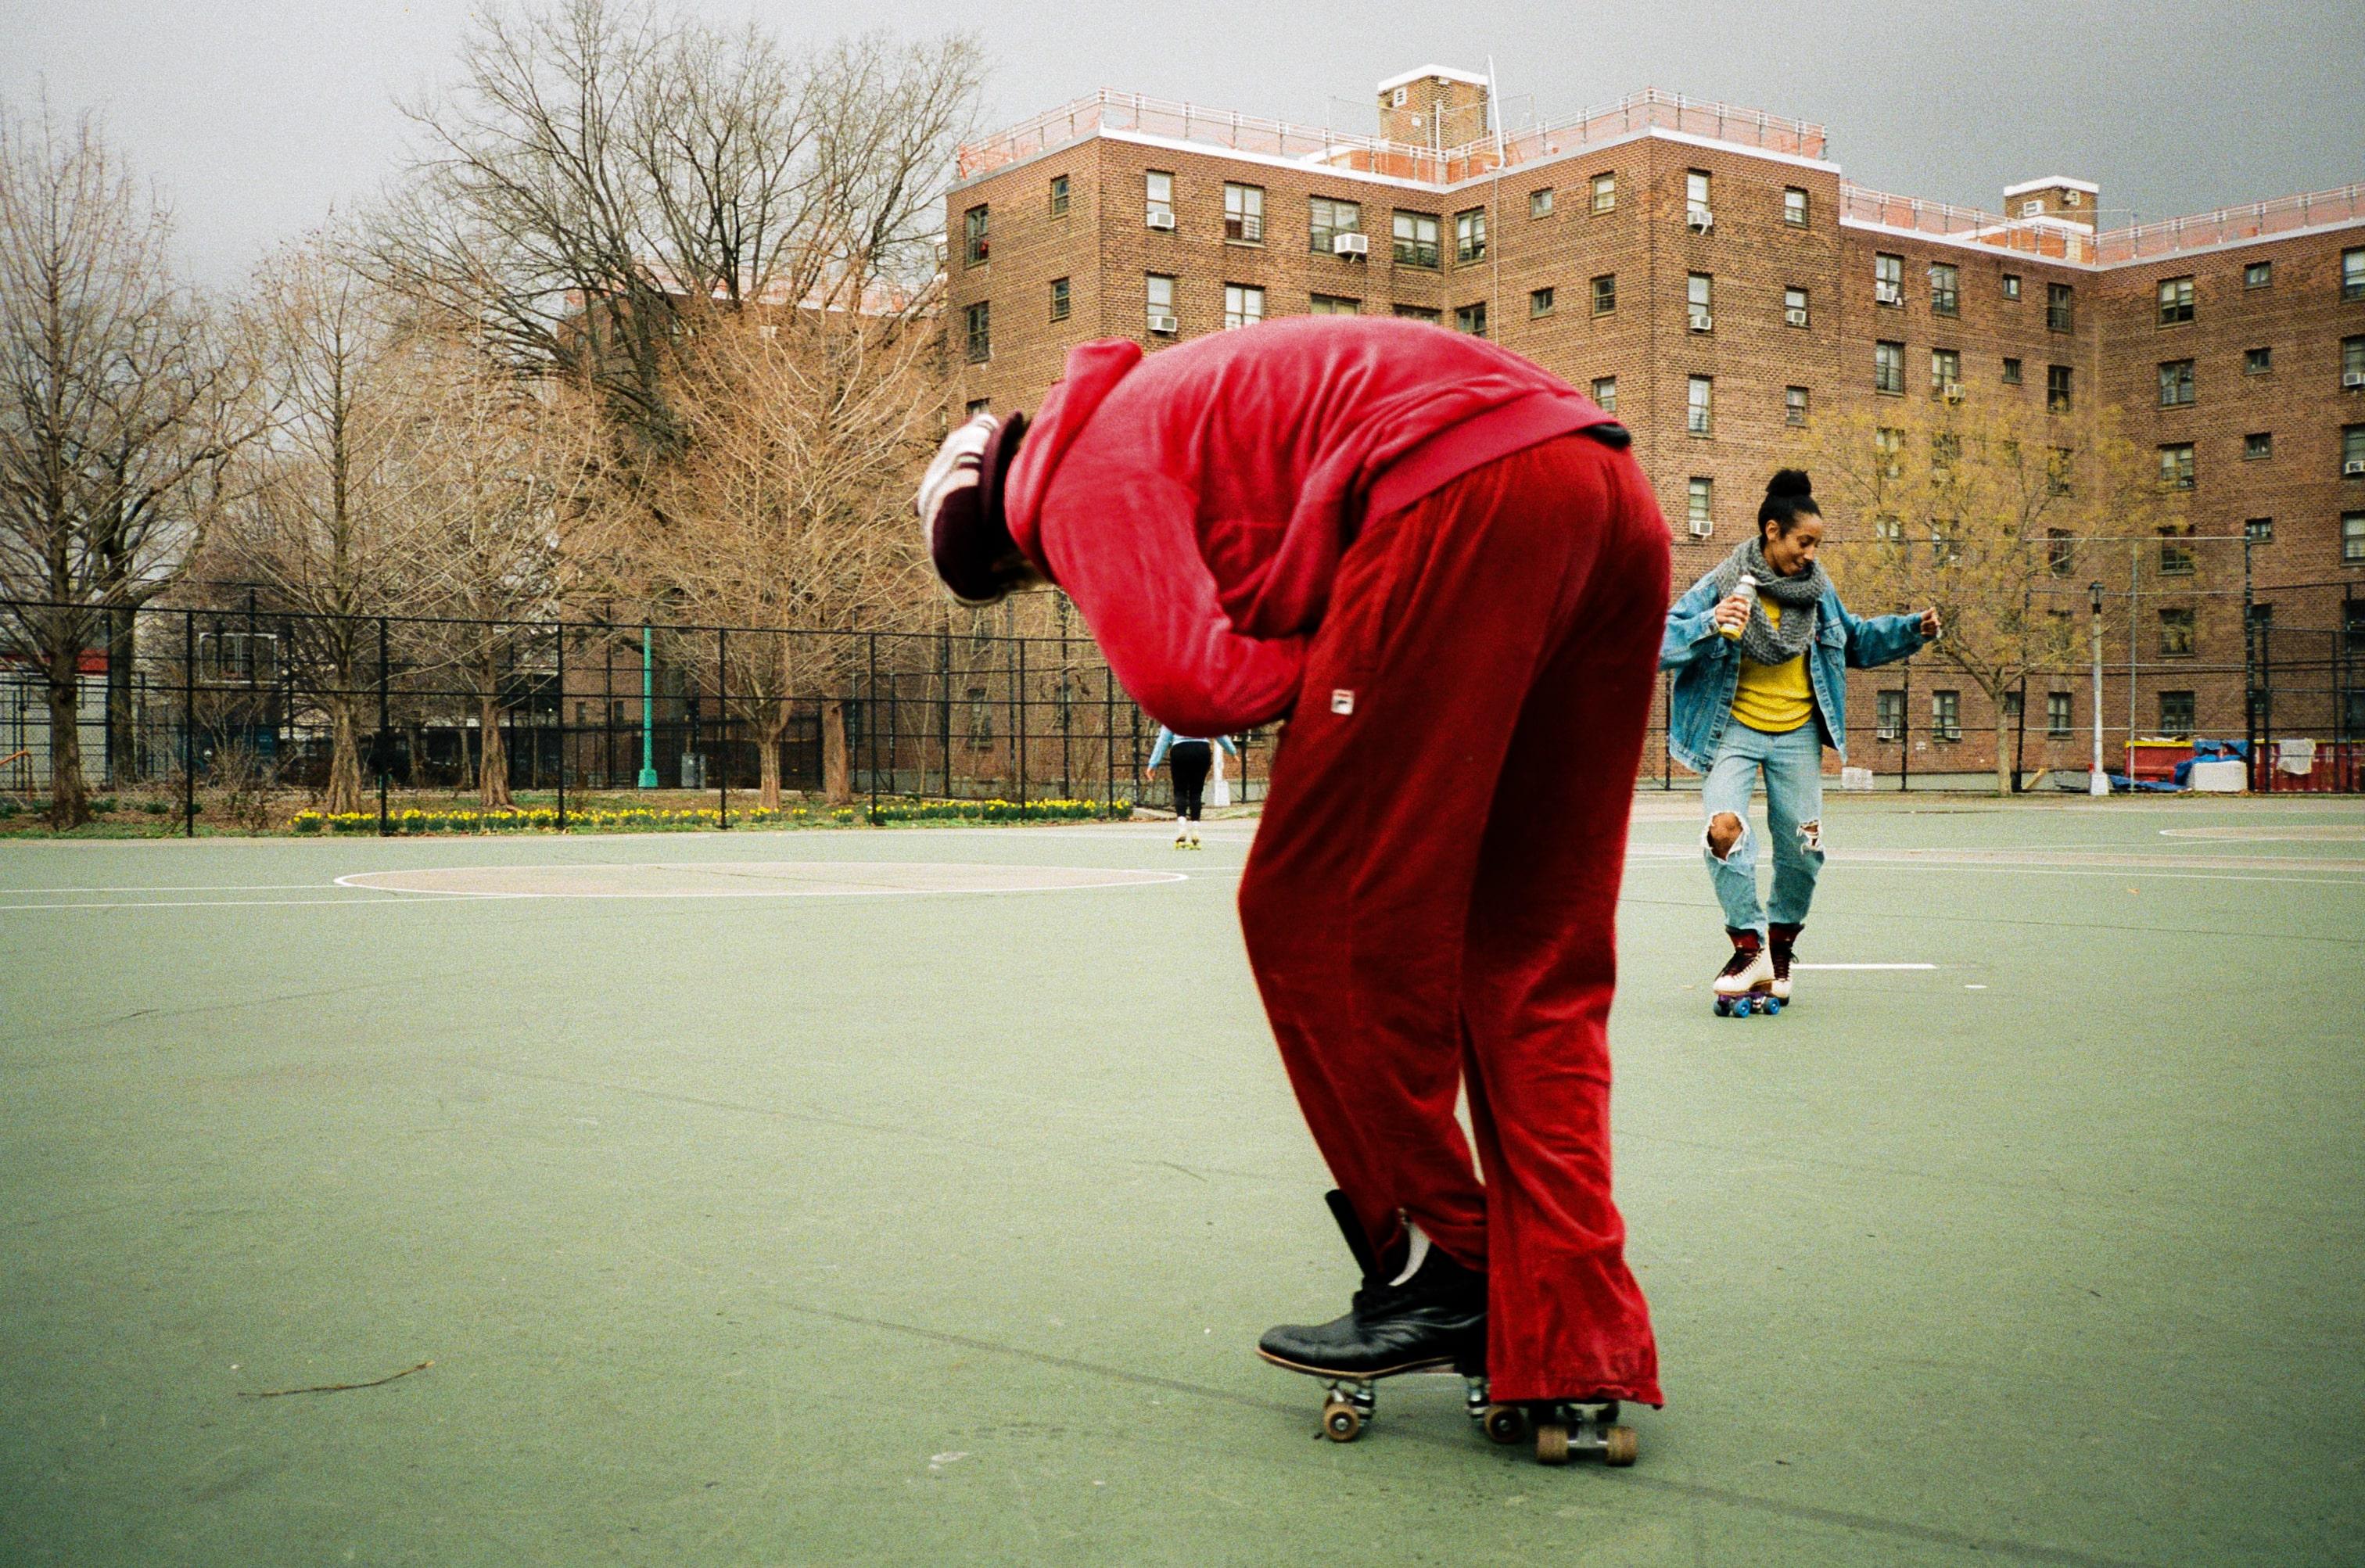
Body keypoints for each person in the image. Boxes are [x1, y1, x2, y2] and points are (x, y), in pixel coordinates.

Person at [917, 316, 1668, 1454]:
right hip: (1607, 497)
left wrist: (1358, 665)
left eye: (1025, 580)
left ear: (1000, 536)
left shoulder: (1069, 476)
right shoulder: (1173, 404)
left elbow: (1199, 684)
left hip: (1460, 502)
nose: (1050, 583)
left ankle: (1460, 1259)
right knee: (1532, 951)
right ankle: (1569, 1321)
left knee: (1312, 914)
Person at [1658, 470, 1939, 1013]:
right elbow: (1658, 640)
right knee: (1724, 831)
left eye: (1816, 544)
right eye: (1802, 542)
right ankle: (1749, 946)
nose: (1810, 554)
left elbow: (1855, 640)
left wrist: (1913, 630)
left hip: (1797, 736)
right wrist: (1711, 623)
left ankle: (1780, 950)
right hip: (1731, 731)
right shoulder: (1723, 583)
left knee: (1804, 853)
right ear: (1771, 532)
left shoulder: (1818, 593)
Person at [1144, 726, 1239, 849]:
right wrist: (1232, 751)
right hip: (1202, 750)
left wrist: (1153, 764)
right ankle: (1195, 830)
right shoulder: (1204, 710)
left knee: (1180, 790)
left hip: (1180, 750)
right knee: (1196, 792)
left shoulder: (1173, 713)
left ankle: (1182, 828)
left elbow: (1163, 740)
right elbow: (1218, 732)